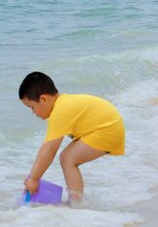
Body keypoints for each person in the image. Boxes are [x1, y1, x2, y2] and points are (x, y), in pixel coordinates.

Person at [18, 72, 125, 203]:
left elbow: (50, 149)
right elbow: (47, 147)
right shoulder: (61, 105)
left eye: (32, 107)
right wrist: (32, 176)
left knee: (68, 159)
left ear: (43, 99)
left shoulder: (60, 111)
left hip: (107, 129)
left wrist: (34, 179)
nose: (33, 112)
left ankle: (76, 202)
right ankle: (76, 200)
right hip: (108, 126)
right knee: (66, 158)